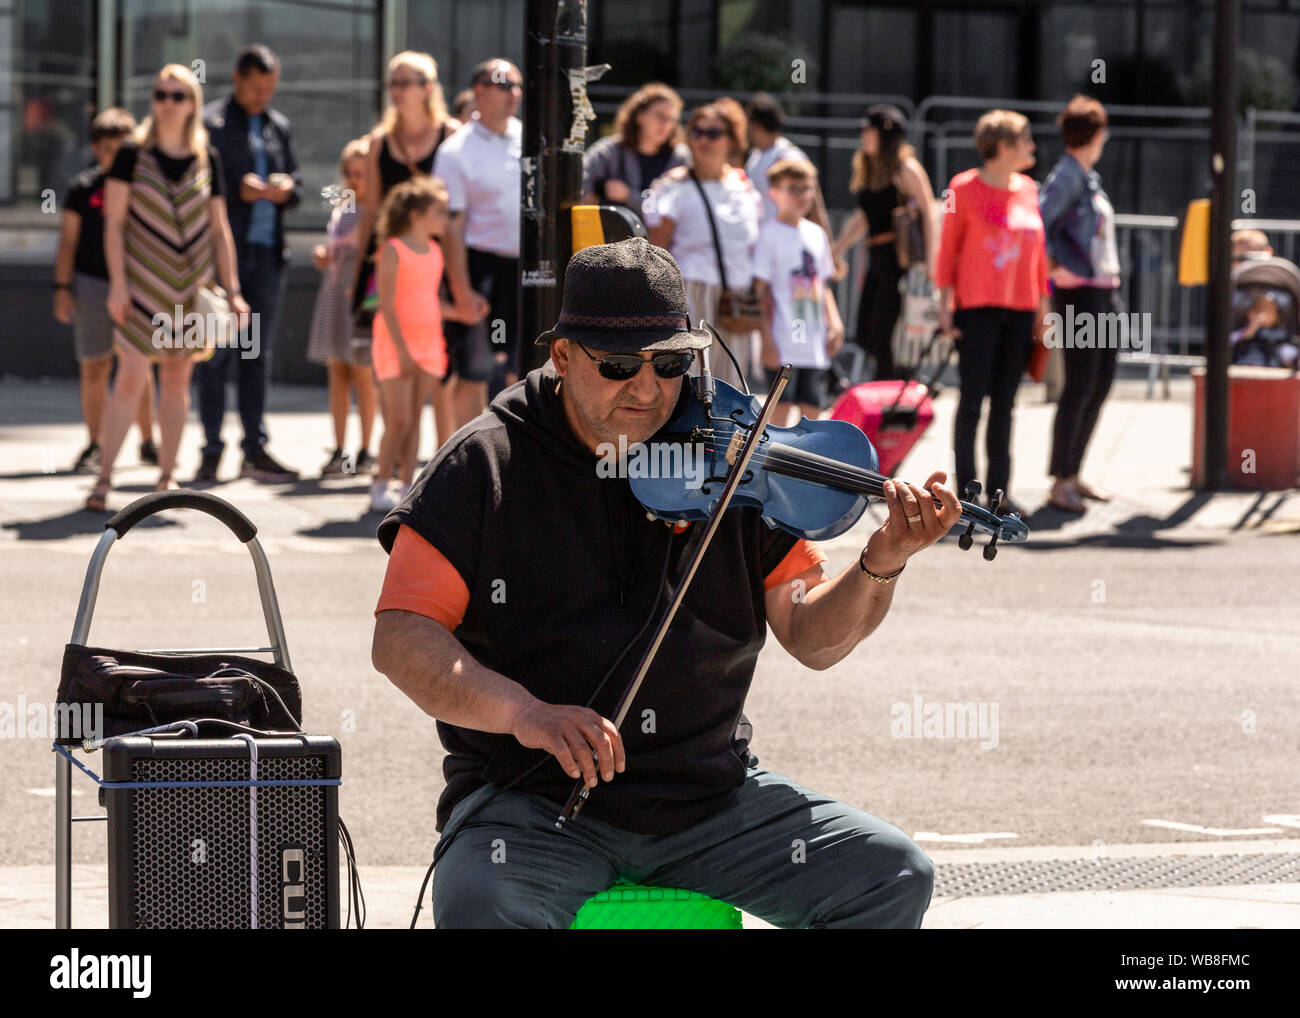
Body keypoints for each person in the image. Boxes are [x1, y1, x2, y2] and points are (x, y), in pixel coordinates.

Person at [370, 236, 959, 929]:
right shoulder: (486, 463)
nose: (648, 390)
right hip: (529, 803)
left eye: (672, 363)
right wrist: (523, 713)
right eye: (619, 366)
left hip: (710, 800)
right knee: (483, 903)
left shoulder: (731, 457)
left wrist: (881, 562)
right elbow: (402, 637)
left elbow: (811, 636)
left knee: (889, 874)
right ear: (562, 358)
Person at [89, 64, 249, 512]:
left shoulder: (207, 157)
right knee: (131, 379)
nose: (168, 102)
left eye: (178, 95)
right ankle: (104, 479)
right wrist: (117, 285)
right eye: (161, 93)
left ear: (192, 104)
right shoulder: (130, 155)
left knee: (178, 380)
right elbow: (115, 224)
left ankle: (166, 476)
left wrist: (233, 290)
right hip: (141, 287)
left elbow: (220, 230)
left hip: (192, 287)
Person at [354, 51, 473, 481]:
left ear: (429, 86)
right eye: (393, 82)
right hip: (397, 271)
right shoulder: (379, 143)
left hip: (443, 268)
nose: (398, 90)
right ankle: (395, 474)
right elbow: (370, 213)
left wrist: (461, 287)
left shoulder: (453, 134)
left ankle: (444, 474)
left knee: (447, 382)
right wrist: (355, 277)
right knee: (398, 389)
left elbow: (459, 215)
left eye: (407, 81)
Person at [934, 109, 1050, 518]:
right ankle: (967, 494)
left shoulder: (1030, 189)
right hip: (976, 308)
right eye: (1025, 139)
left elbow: (1040, 258)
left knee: (1006, 403)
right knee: (971, 400)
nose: (1032, 146)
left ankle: (1000, 494)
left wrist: (1043, 308)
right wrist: (944, 306)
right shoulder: (962, 188)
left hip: (1020, 309)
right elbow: (947, 250)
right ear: (1002, 145)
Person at [196, 44, 302, 483]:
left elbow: (296, 182)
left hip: (265, 255)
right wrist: (238, 187)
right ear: (238, 80)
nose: (263, 96)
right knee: (214, 354)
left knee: (255, 353)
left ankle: (254, 448)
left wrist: (285, 188)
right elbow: (200, 184)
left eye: (270, 89)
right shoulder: (212, 124)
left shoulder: (278, 125)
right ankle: (210, 449)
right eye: (257, 88)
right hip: (222, 258)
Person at [53, 107, 156, 473]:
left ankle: (147, 441)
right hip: (92, 285)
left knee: (139, 366)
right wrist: (62, 287)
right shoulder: (82, 189)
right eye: (108, 148)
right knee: (95, 367)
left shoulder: (146, 188)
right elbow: (67, 242)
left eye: (123, 147)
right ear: (96, 148)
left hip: (138, 286)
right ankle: (95, 443)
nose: (115, 155)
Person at [644, 100, 762, 391]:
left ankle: (724, 439)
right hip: (690, 294)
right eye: (697, 132)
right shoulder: (673, 186)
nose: (703, 140)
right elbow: (656, 253)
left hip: (736, 300)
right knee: (692, 382)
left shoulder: (744, 186)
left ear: (732, 139)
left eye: (713, 133)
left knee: (732, 387)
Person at [1039, 95, 1121, 513]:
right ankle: (1059, 481)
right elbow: (1040, 224)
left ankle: (1073, 473)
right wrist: (1059, 268)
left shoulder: (1087, 177)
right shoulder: (1067, 177)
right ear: (1098, 134)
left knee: (1101, 382)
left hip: (1102, 290)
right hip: (1080, 293)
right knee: (1080, 384)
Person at [368, 175, 468, 513]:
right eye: (438, 211)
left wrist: (460, 311)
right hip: (395, 344)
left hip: (428, 342)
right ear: (416, 214)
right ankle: (380, 482)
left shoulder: (435, 251)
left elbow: (429, 300)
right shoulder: (392, 250)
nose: (445, 218)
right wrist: (402, 350)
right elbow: (387, 304)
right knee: (397, 420)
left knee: (413, 418)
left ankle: (407, 483)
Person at [434, 57, 523, 421]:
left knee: (523, 369)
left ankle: (521, 465)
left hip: (525, 270)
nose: (512, 93)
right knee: (474, 372)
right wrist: (461, 289)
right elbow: (451, 226)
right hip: (480, 269)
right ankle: (470, 464)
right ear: (479, 92)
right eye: (502, 84)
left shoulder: (533, 139)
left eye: (517, 85)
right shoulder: (456, 151)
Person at [832, 105, 939, 382]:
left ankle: (893, 391)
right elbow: (863, 218)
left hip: (899, 262)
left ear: (885, 135)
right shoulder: (871, 170)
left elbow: (929, 213)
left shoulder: (906, 169)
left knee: (886, 334)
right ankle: (885, 389)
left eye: (869, 131)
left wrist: (932, 263)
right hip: (877, 258)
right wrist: (837, 250)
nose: (863, 136)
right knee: (867, 331)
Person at [753, 158, 843, 426]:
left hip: (814, 343)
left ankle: (801, 468)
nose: (802, 196)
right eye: (793, 189)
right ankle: (773, 467)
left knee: (812, 411)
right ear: (774, 193)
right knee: (779, 412)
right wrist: (767, 341)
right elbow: (760, 294)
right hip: (783, 341)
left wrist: (835, 323)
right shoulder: (768, 235)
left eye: (807, 189)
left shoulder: (817, 234)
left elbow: (822, 285)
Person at [307, 138, 376, 478]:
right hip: (336, 291)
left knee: (363, 374)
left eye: (361, 172)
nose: (354, 178)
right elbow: (337, 247)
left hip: (363, 296)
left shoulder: (377, 208)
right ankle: (339, 451)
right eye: (349, 172)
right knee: (337, 372)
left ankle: (365, 451)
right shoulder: (344, 207)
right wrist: (322, 255)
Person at [582, 82, 689, 212]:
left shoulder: (680, 159)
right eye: (660, 116)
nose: (666, 124)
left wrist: (628, 196)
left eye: (671, 119)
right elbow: (579, 184)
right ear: (639, 116)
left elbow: (670, 210)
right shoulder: (609, 152)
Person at [743, 92, 831, 236]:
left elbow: (814, 203)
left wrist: (829, 249)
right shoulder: (754, 156)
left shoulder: (787, 155)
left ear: (756, 125)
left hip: (786, 242)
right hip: (759, 245)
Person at [1230, 294, 1299, 368]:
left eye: (1268, 310)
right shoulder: (1241, 333)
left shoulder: (1280, 336)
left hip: (1269, 374)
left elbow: (1289, 356)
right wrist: (1252, 328)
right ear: (1249, 313)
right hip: (1242, 372)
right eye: (1259, 309)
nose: (1262, 314)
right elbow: (1229, 347)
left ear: (1277, 317)